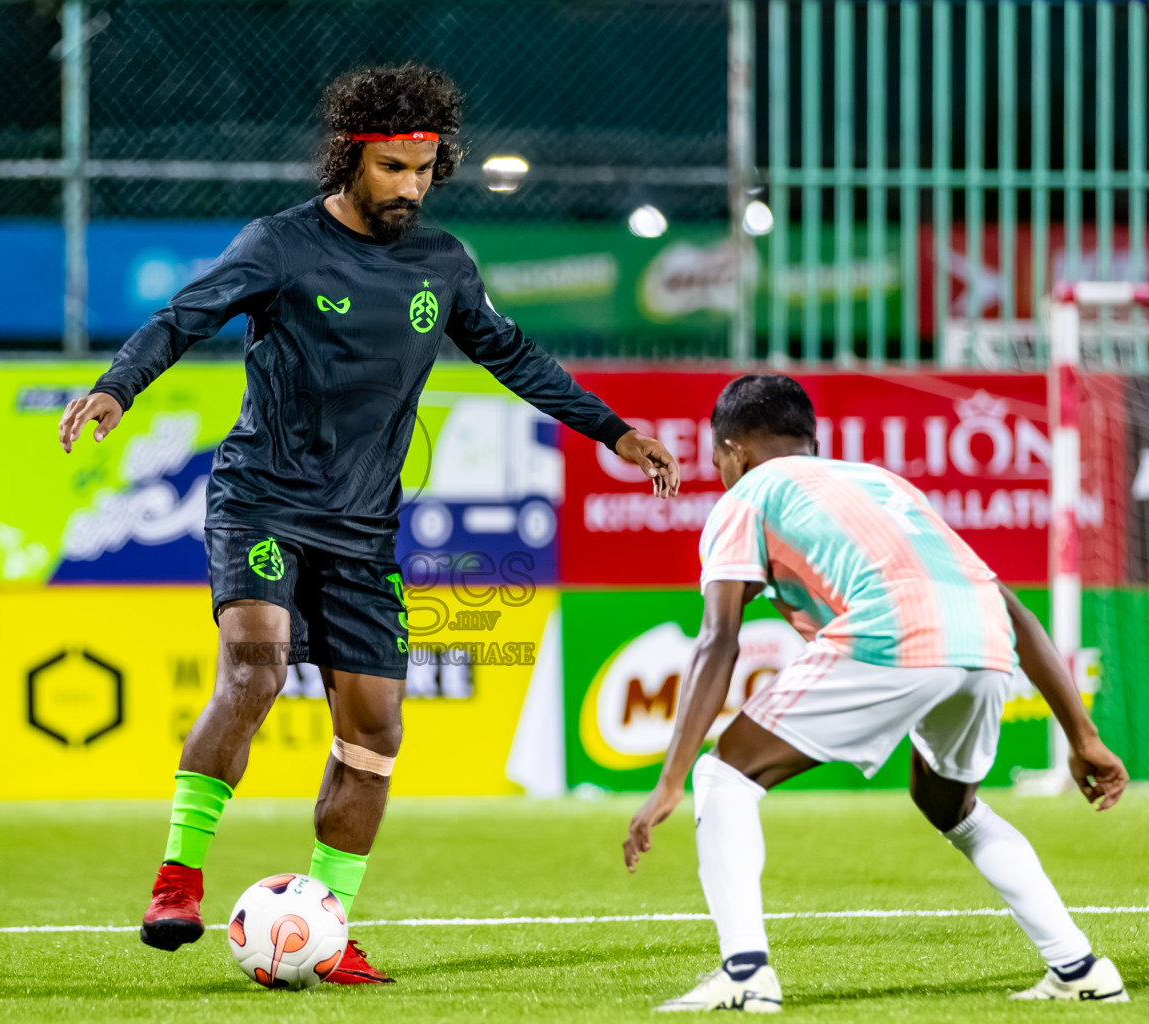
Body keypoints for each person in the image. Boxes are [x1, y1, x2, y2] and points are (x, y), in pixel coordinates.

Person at [58, 64, 680, 984]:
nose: (411, 188)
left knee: (376, 731)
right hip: (262, 498)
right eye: (393, 169)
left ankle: (327, 924)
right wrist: (117, 386)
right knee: (258, 663)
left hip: (361, 532)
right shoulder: (281, 245)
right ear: (351, 159)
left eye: (425, 171)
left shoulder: (444, 264)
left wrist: (614, 431)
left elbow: (512, 355)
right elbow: (181, 317)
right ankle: (178, 878)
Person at [622, 373, 1130, 1012]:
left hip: (895, 629)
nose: (721, 470)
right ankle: (1079, 966)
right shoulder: (884, 483)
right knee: (949, 803)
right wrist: (1083, 738)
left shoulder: (746, 495)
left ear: (733, 449)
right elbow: (1017, 612)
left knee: (725, 777)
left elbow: (719, 639)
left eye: (719, 457)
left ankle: (745, 974)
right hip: (985, 637)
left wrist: (670, 780)